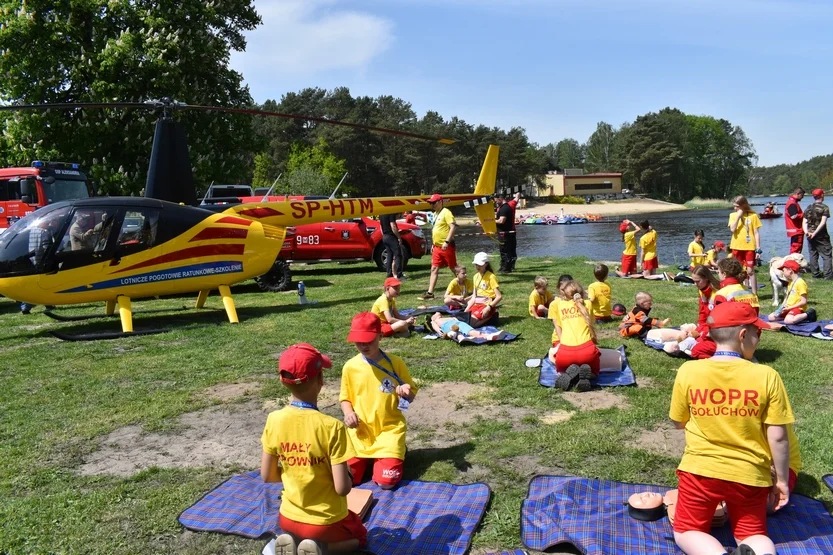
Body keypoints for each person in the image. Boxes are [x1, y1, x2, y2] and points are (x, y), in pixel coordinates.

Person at [669, 302, 793, 555]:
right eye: (758, 333)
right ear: (743, 335)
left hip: (700, 472)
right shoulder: (767, 375)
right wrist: (781, 480)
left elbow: (678, 421)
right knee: (753, 534)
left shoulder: (689, 370)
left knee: (688, 530)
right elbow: (778, 438)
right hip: (750, 476)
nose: (759, 339)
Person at [261, 343, 367, 555]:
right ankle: (320, 549)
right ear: (320, 380)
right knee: (360, 538)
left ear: (283, 381)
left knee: (299, 531)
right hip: (325, 522)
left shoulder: (274, 420)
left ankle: (295, 542)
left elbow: (267, 475)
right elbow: (342, 488)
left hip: (288, 517)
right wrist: (347, 474)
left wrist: (297, 469)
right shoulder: (332, 427)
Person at [340, 312, 417, 490]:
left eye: (369, 340)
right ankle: (370, 459)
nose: (363, 345)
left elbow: (411, 395)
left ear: (380, 336)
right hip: (360, 432)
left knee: (386, 483)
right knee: (345, 480)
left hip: (388, 430)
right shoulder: (350, 367)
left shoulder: (395, 363)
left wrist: (405, 393)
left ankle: (394, 451)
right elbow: (345, 398)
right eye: (359, 341)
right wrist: (348, 413)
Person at [550, 280, 600, 392]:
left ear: (564, 294)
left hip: (565, 353)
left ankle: (570, 374)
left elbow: (558, 326)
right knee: (595, 372)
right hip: (587, 351)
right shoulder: (588, 304)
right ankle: (586, 375)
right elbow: (590, 322)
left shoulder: (559, 305)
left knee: (560, 371)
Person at [419, 194, 457, 300]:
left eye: (433, 203)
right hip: (437, 247)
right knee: (434, 268)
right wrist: (433, 244)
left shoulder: (447, 212)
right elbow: (437, 230)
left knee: (454, 268)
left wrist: (447, 241)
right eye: (430, 203)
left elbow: (453, 227)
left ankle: (465, 287)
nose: (431, 205)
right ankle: (430, 293)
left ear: (440, 202)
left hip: (446, 246)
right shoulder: (436, 214)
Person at [20, 218, 55, 314]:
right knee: (43, 284)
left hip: (32, 261)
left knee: (35, 285)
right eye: (47, 222)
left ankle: (46, 304)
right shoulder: (43, 233)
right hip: (41, 261)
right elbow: (46, 248)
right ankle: (29, 306)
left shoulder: (31, 231)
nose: (48, 223)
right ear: (43, 223)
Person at [728, 195, 762, 293]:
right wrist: (738, 216)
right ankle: (740, 291)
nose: (735, 208)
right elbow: (732, 229)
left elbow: (756, 233)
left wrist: (758, 248)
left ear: (743, 205)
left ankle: (754, 293)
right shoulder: (733, 215)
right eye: (734, 206)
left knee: (750, 271)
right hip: (736, 246)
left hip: (749, 247)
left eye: (737, 206)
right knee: (737, 270)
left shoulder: (753, 216)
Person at [688, 265, 721, 360]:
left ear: (706, 278)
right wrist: (699, 329)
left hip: (717, 331)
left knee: (696, 349)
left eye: (697, 281)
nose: (695, 284)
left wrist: (702, 332)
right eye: (693, 281)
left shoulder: (717, 294)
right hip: (708, 327)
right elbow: (702, 313)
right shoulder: (702, 290)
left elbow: (717, 320)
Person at [465, 252, 502, 327]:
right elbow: (474, 297)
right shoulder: (475, 277)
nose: (477, 267)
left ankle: (491, 316)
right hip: (477, 304)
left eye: (480, 265)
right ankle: (487, 318)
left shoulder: (491, 277)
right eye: (476, 265)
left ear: (486, 264)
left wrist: (489, 307)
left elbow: (499, 296)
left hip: (487, 305)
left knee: (471, 324)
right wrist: (466, 310)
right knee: (465, 320)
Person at [767, 259, 810, 324]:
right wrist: (781, 308)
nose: (782, 272)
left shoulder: (800, 283)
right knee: (771, 317)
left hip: (797, 308)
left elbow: (803, 301)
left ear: (790, 271)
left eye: (783, 270)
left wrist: (790, 307)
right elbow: (786, 298)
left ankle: (808, 314)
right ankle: (788, 316)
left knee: (788, 321)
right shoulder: (790, 283)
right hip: (787, 308)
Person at [803, 188, 832, 280]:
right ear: (822, 195)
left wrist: (807, 232)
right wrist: (815, 233)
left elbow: (804, 222)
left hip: (809, 234)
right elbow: (822, 223)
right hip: (821, 235)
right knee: (827, 255)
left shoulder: (808, 207)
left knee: (813, 254)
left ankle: (815, 274)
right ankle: (828, 276)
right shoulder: (824, 207)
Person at [426, 313, 506, 342]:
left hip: (454, 324)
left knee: (463, 332)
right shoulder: (435, 321)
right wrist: (439, 332)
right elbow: (435, 325)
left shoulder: (441, 319)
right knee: (461, 331)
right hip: (449, 325)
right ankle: (487, 336)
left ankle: (461, 338)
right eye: (436, 314)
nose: (438, 314)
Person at [495, 194, 516, 272]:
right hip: (504, 233)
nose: (495, 202)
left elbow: (501, 220)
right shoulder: (504, 207)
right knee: (504, 250)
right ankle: (504, 267)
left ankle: (506, 268)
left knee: (505, 250)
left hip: (505, 234)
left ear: (500, 198)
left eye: (496, 200)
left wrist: (490, 221)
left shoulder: (504, 208)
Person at [379, 212, 404, 280]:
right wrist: (399, 237)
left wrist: (384, 234)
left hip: (385, 236)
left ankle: (389, 273)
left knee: (389, 255)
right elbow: (393, 225)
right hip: (391, 237)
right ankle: (399, 275)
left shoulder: (381, 214)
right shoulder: (391, 213)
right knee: (398, 255)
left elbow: (380, 226)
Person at [785, 187, 806, 254]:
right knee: (796, 250)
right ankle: (792, 263)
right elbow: (793, 216)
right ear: (798, 194)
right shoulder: (792, 203)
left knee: (795, 249)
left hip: (794, 230)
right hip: (796, 230)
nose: (802, 198)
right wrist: (804, 215)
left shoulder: (792, 202)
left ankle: (792, 263)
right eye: (802, 196)